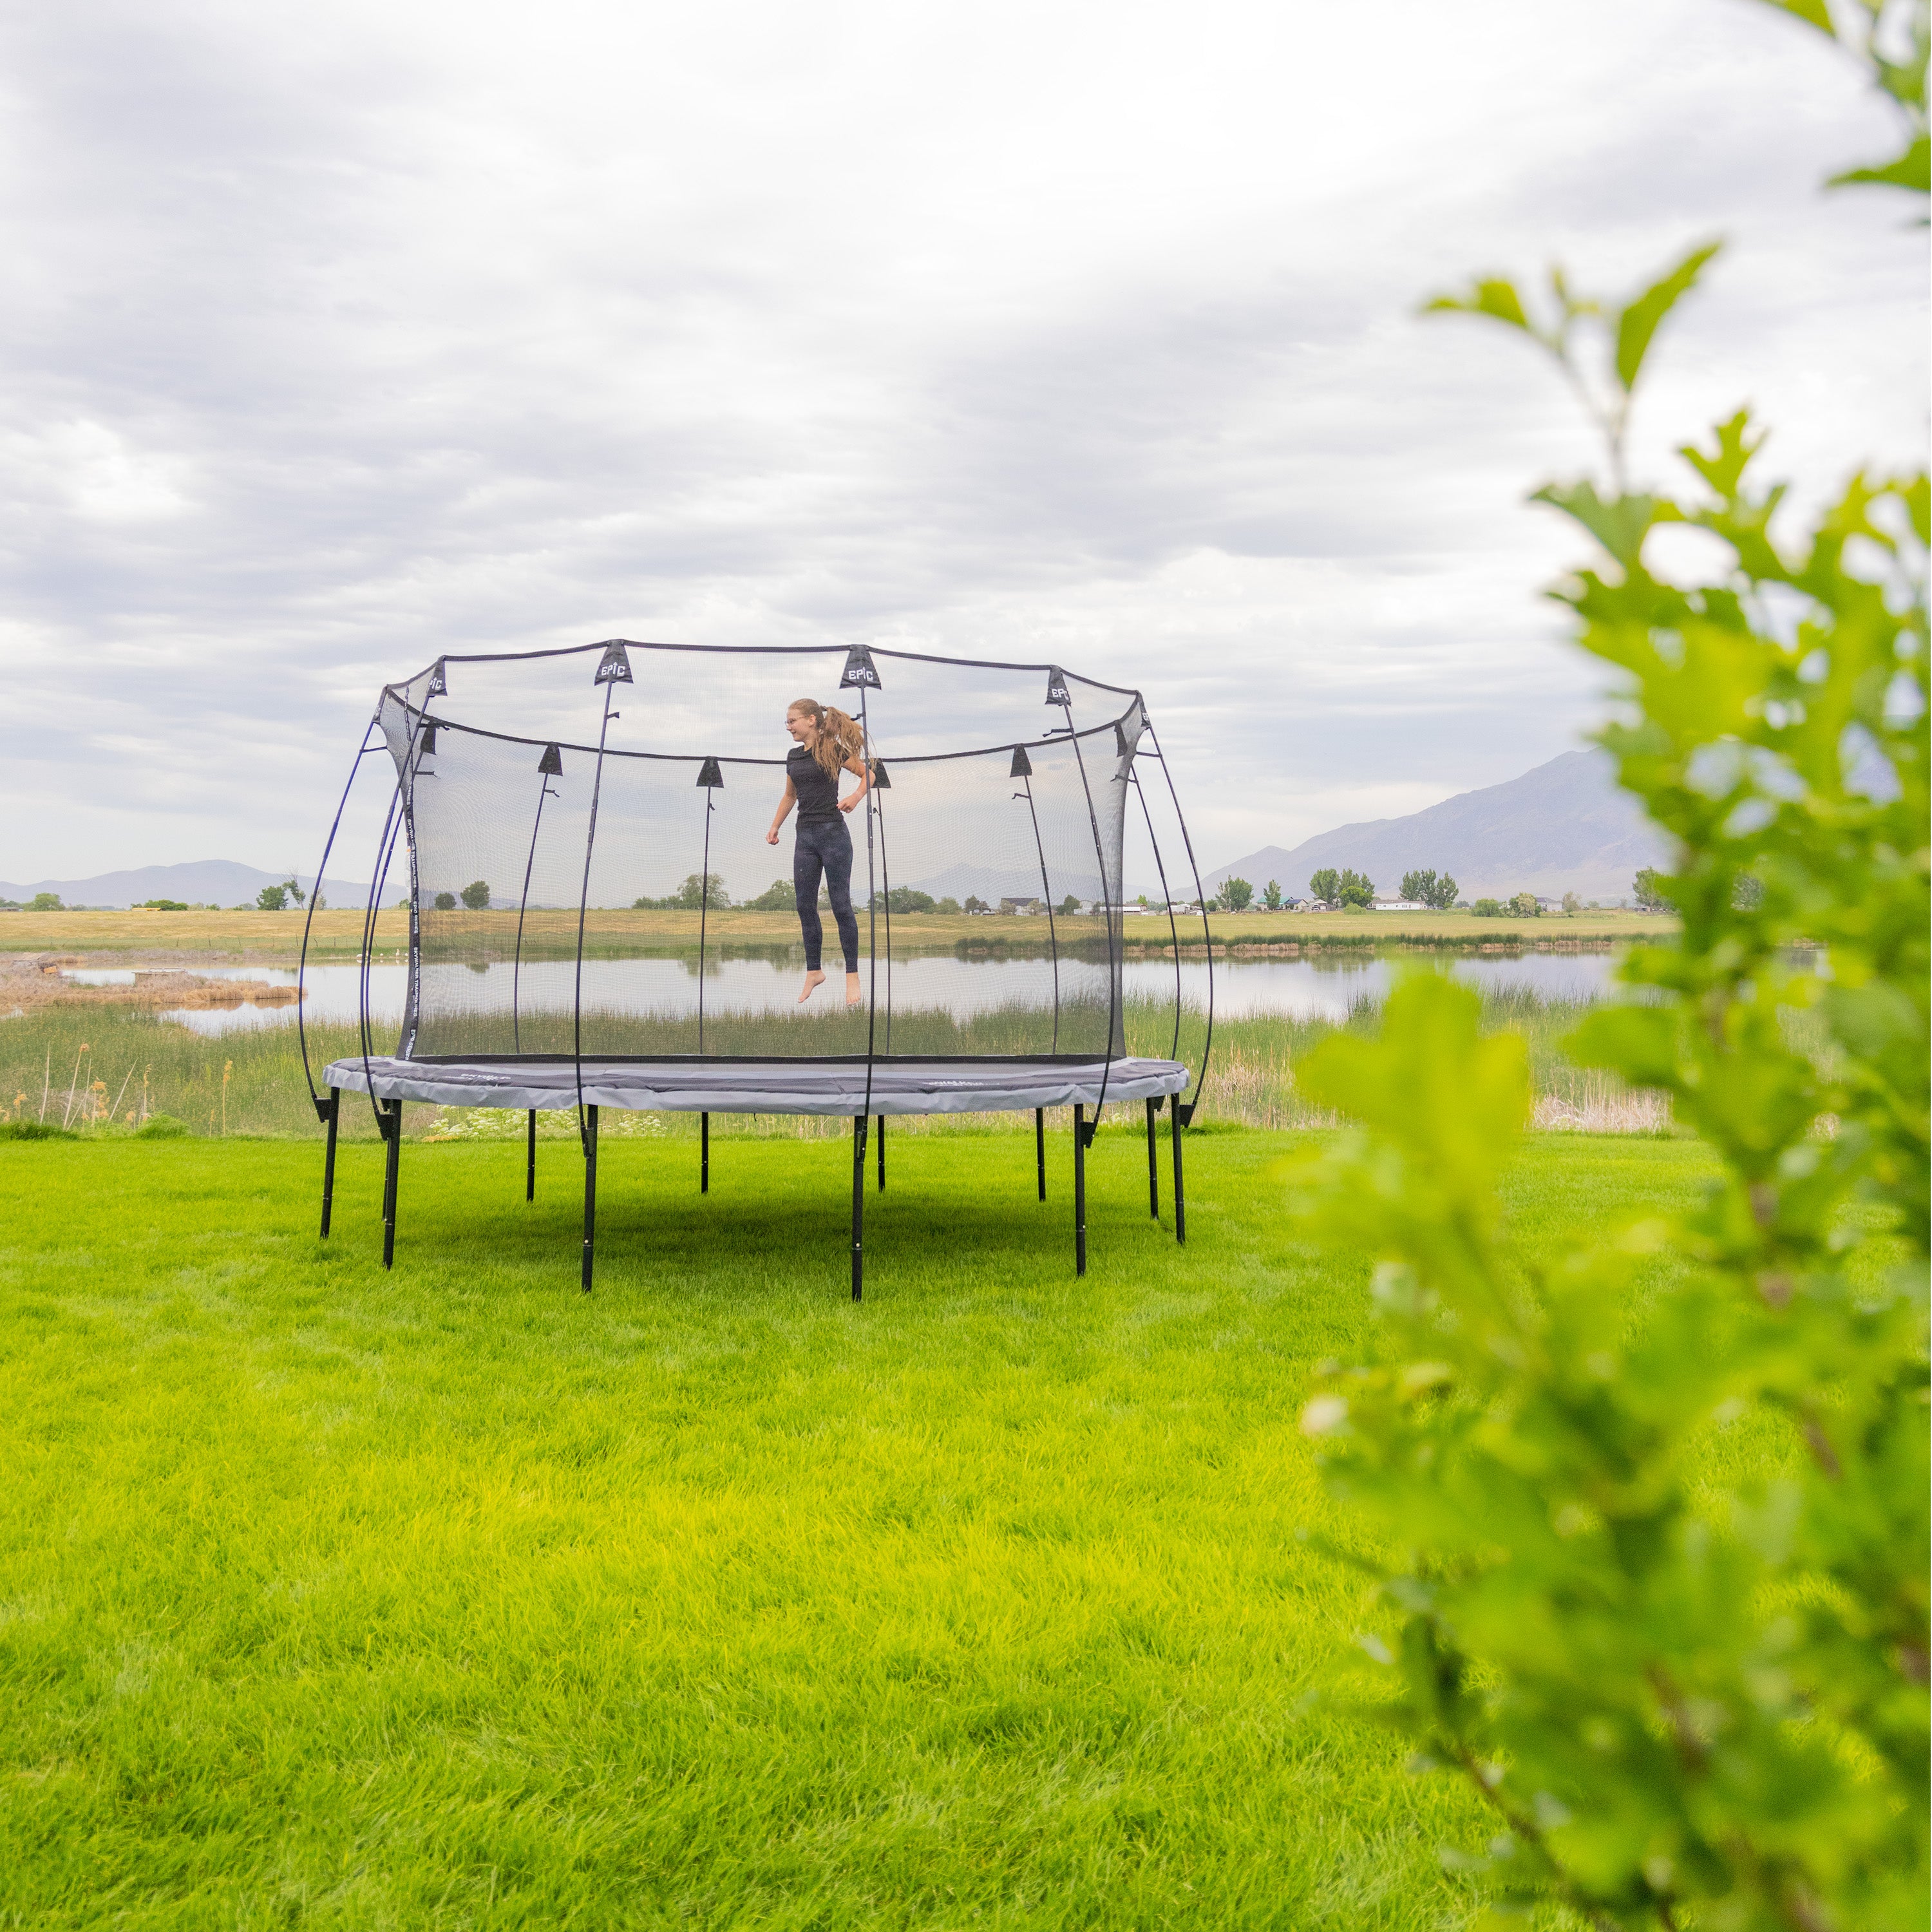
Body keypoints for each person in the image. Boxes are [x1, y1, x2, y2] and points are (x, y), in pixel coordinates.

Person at [766, 697, 870, 1004]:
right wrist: (775, 826)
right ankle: (814, 971)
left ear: (811, 719)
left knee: (840, 906)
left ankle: (852, 976)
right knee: (804, 906)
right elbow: (789, 795)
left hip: (834, 835)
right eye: (786, 722)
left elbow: (869, 774)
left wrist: (855, 796)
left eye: (792, 721)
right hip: (805, 837)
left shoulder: (832, 750)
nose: (789, 727)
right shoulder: (793, 756)